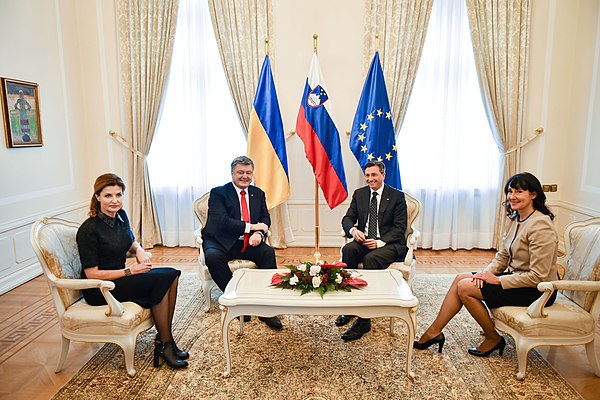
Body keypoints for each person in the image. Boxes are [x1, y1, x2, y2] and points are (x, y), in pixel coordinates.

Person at [414, 172, 559, 357]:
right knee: (462, 278)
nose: (512, 196)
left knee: (465, 288)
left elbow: (539, 276)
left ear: (533, 194)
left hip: (538, 290)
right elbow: (503, 256)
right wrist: (484, 274)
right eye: (510, 191)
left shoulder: (541, 226)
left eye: (519, 192)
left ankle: (493, 338)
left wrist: (497, 281)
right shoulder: (516, 218)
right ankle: (434, 332)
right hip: (518, 278)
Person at [76, 173, 188, 369]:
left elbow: (130, 241)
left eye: (118, 195)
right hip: (100, 287)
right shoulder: (89, 230)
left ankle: (165, 342)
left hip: (119, 278)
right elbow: (91, 274)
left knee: (172, 274)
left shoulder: (121, 216)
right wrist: (131, 271)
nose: (114, 200)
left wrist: (140, 250)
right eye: (108, 196)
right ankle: (165, 344)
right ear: (97, 197)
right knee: (161, 279)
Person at [202, 156, 283, 330]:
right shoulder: (219, 193)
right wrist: (253, 227)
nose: (245, 176)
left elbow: (265, 218)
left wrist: (260, 234)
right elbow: (221, 221)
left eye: (248, 172)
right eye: (240, 172)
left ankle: (266, 306)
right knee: (213, 257)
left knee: (267, 253)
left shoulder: (258, 193)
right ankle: (236, 299)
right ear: (232, 173)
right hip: (219, 240)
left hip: (247, 242)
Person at [337, 161, 408, 341]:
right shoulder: (359, 194)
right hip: (365, 239)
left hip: (389, 243)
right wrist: (353, 231)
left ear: (383, 175)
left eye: (374, 175)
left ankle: (364, 319)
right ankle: (350, 306)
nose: (370, 179)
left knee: (371, 259)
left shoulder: (397, 196)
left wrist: (380, 242)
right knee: (349, 250)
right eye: (367, 175)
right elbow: (347, 218)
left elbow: (400, 228)